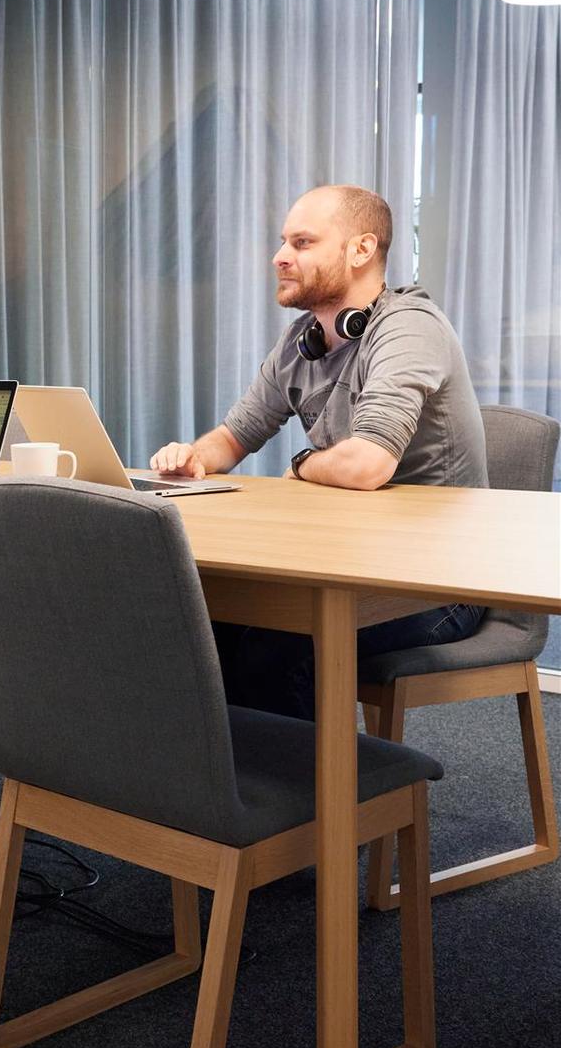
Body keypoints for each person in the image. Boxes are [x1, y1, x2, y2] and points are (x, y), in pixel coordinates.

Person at [149, 183, 488, 719]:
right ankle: (221, 794)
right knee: (209, 621)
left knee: (275, 646)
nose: (280, 256)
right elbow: (233, 437)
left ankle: (306, 801)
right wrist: (194, 456)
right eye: (284, 242)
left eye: (302, 243)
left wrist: (302, 463)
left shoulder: (408, 328)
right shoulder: (301, 341)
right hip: (351, 563)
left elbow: (367, 464)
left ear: (361, 249)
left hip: (439, 582)